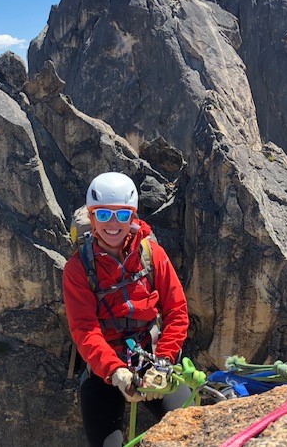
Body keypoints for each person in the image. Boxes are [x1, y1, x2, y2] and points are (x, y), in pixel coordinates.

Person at [62, 172, 189, 447]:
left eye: (121, 215)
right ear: (91, 217)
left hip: (152, 360)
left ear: (132, 216)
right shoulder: (78, 268)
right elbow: (85, 329)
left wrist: (163, 363)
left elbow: (176, 311)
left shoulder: (152, 254)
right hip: (103, 370)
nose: (113, 224)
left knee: (192, 429)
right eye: (103, 214)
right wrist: (115, 371)